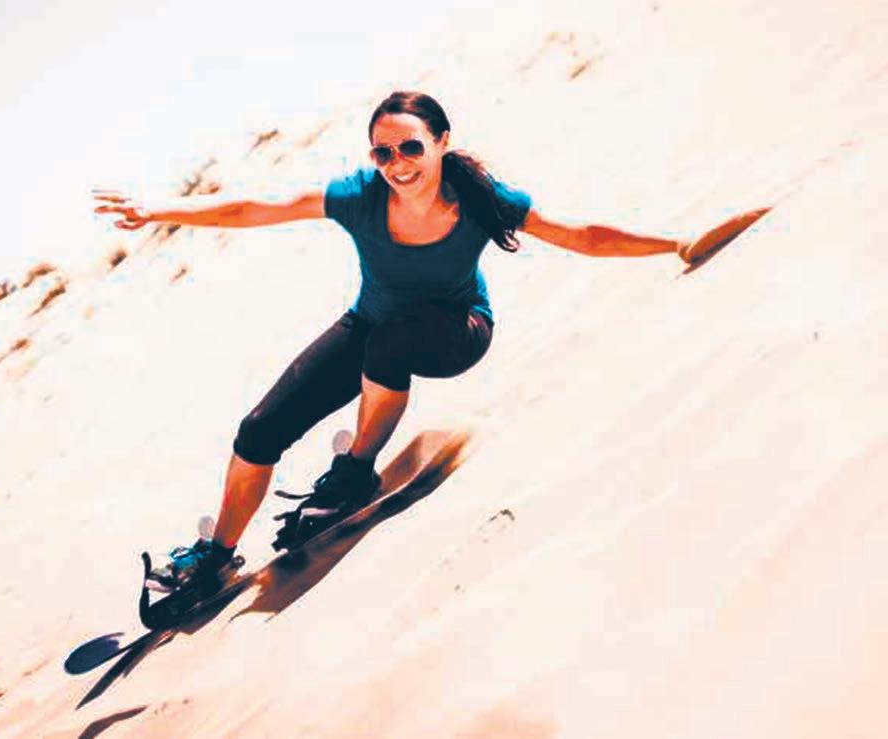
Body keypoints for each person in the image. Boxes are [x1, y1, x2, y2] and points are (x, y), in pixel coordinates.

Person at [93, 90, 762, 590]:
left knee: (392, 341)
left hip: (457, 332)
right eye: (382, 152)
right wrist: (157, 211)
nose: (397, 163)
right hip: (371, 325)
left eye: (410, 147)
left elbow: (583, 236)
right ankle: (216, 556)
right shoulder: (358, 197)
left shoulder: (483, 197)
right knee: (259, 430)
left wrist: (676, 243)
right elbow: (257, 207)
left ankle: (354, 470)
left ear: (441, 141)